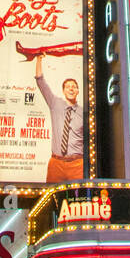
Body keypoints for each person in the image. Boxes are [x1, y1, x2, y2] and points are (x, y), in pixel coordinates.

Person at [34, 54, 83, 183]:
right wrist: (39, 60)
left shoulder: (84, 113)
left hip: (77, 164)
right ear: (63, 91)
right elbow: (40, 81)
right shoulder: (55, 104)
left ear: (78, 90)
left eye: (74, 86)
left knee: (78, 198)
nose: (71, 89)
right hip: (56, 163)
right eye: (68, 87)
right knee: (52, 198)